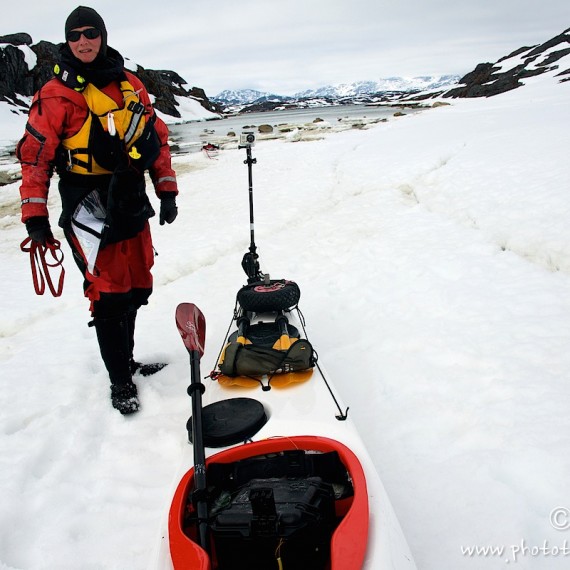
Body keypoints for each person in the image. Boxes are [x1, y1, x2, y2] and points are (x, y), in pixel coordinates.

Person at [17, 6, 179, 415]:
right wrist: (34, 215)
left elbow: (155, 136)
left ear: (102, 35)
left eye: (90, 33)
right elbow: (35, 158)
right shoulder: (55, 94)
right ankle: (120, 381)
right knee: (107, 294)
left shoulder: (131, 85)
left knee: (136, 284)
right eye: (75, 36)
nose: (83, 42)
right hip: (86, 201)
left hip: (128, 195)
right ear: (67, 42)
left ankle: (128, 361)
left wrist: (167, 189)